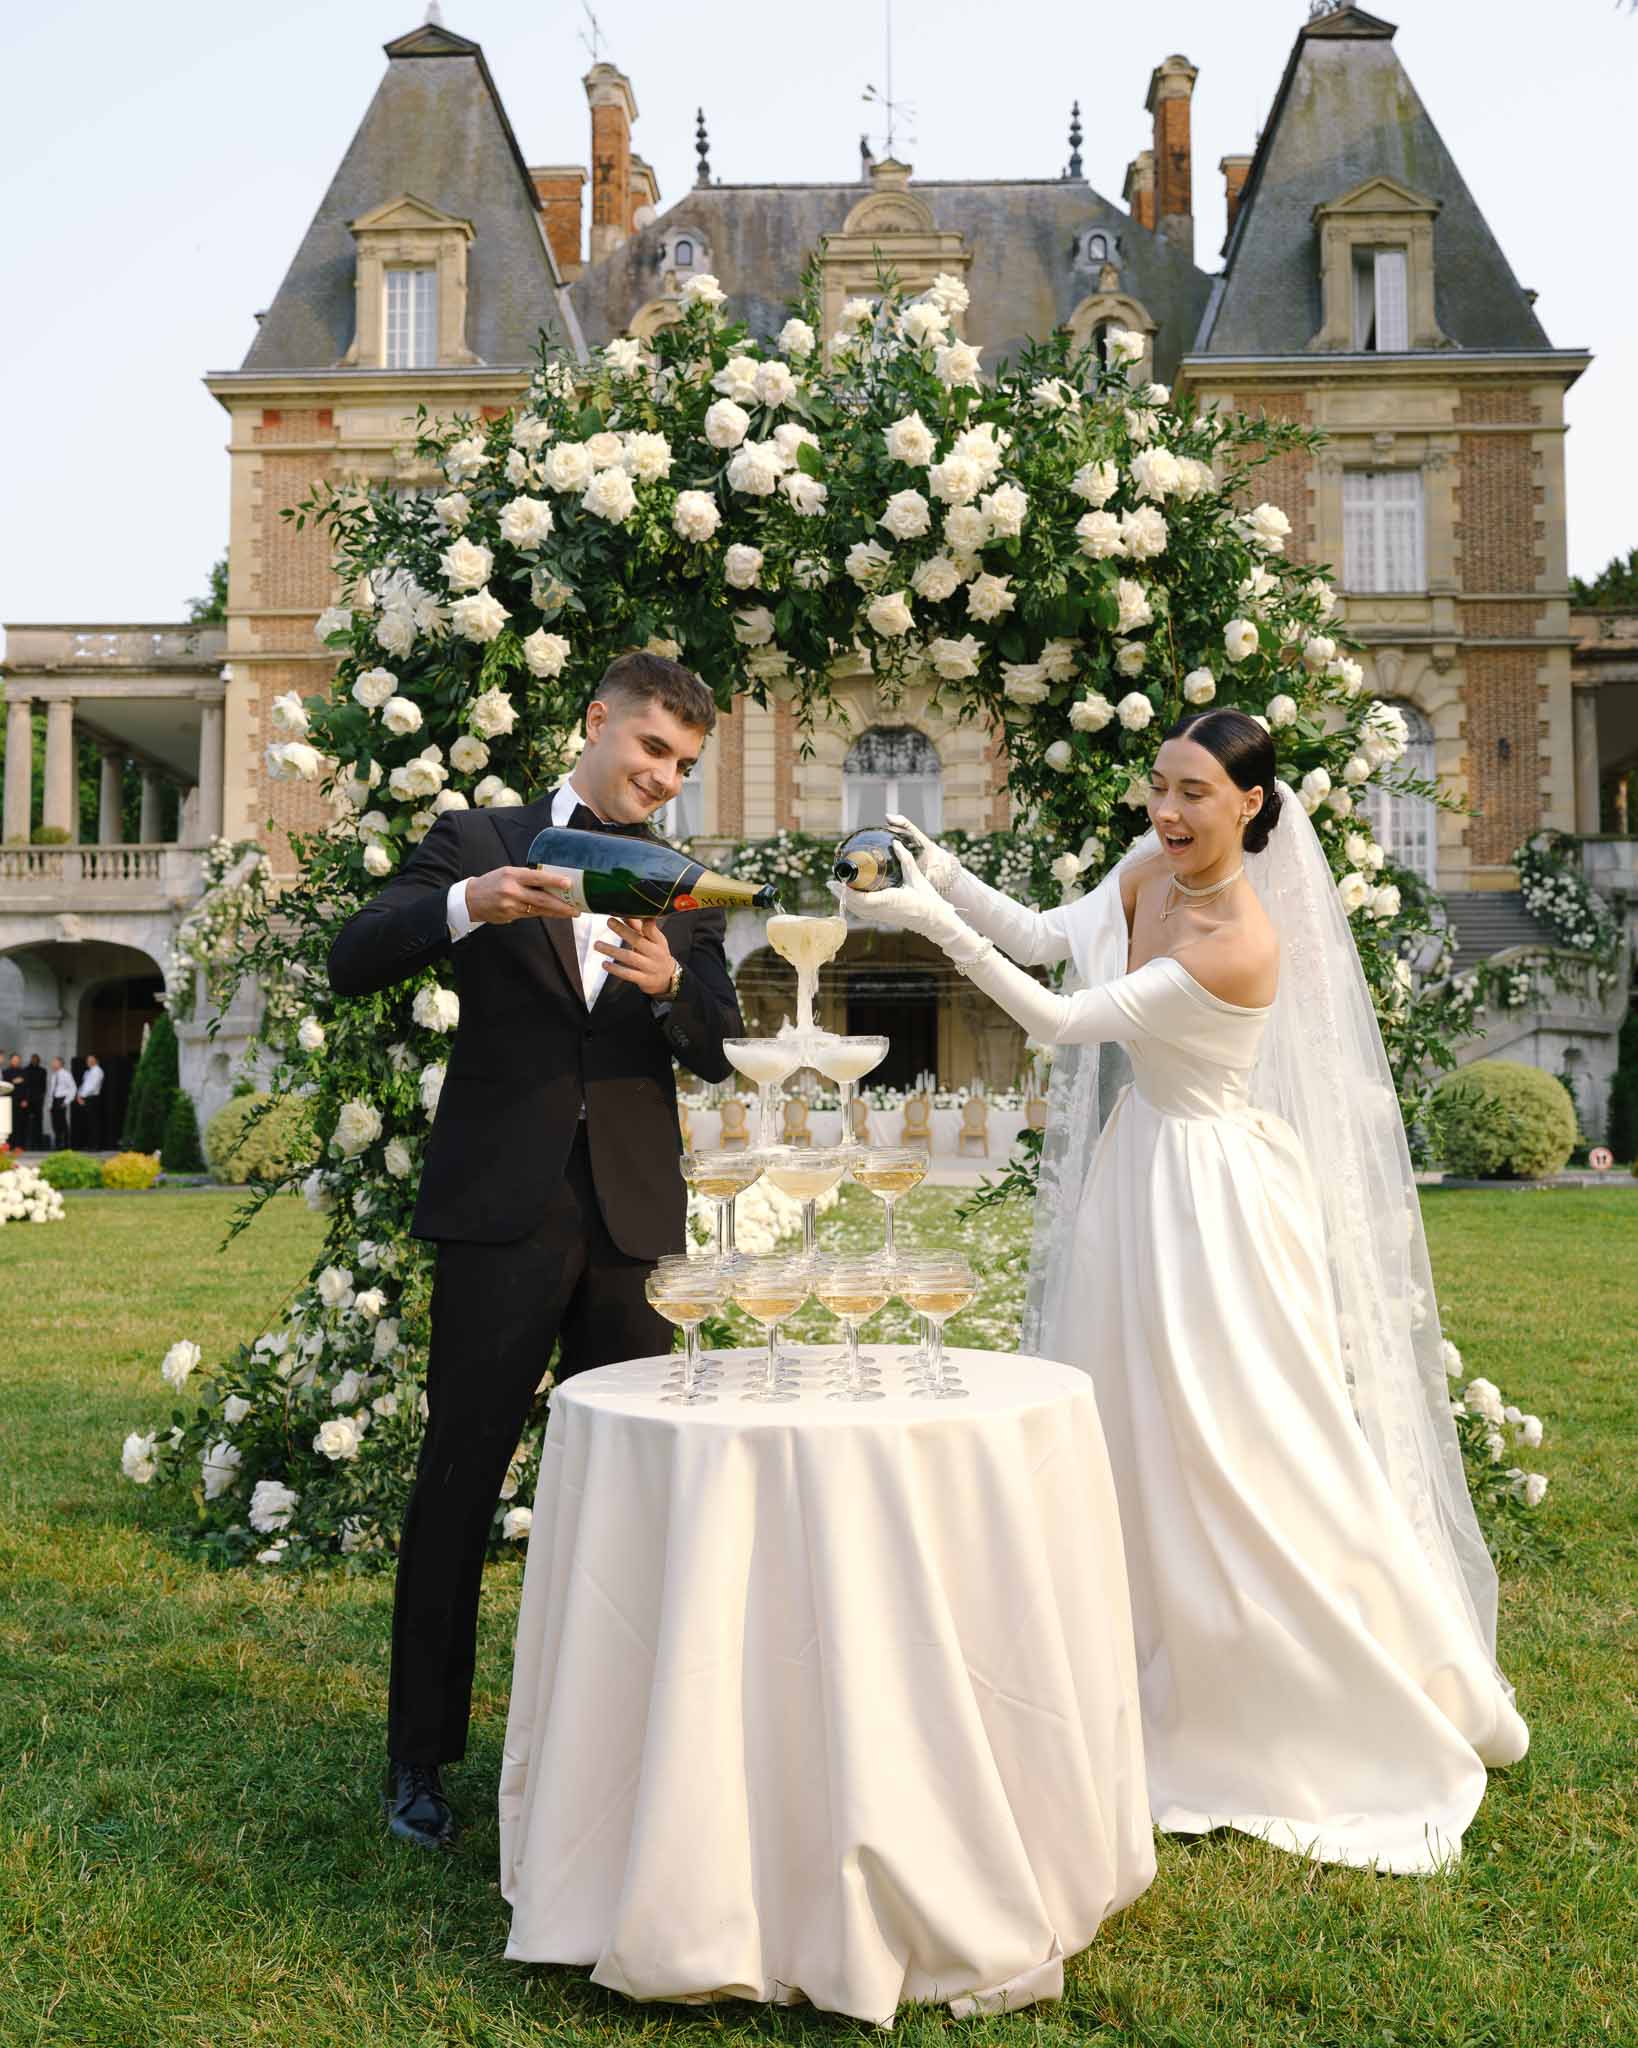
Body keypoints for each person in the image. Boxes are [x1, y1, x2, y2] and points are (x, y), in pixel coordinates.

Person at [841, 708, 1527, 1872]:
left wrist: (922, 924)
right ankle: (1133, 1655)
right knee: (1134, 1429)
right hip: (1138, 1175)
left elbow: (1059, 1018)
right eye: (1160, 785)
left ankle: (1317, 1675)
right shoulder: (1149, 863)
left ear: (1252, 803)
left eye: (1195, 791)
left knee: (1245, 1440)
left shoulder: (1241, 941)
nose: (1167, 810)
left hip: (1212, 1201)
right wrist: (944, 870)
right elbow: (1050, 937)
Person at [327, 650, 742, 1852]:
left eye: (684, 765)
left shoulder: (675, 879)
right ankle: (420, 1758)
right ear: (597, 721)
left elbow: (720, 1043)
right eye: (652, 749)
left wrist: (673, 988)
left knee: (634, 1488)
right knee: (457, 1485)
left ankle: (619, 1748)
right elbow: (354, 956)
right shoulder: (479, 836)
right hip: (500, 1214)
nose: (664, 778)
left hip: (631, 1225)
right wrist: (473, 904)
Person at [76, 1053, 105, 1149]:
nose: (88, 1062)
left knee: (93, 1123)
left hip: (92, 1098)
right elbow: (84, 1085)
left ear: (96, 1061)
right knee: (88, 1122)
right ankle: (90, 1144)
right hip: (86, 1098)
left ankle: (95, 1145)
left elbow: (92, 1087)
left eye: (90, 1060)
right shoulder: (88, 1072)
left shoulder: (97, 1071)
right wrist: (79, 1095)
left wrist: (82, 1096)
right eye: (87, 1060)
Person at [20, 1054, 47, 1151]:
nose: (34, 1061)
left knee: (38, 1123)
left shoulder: (43, 1071)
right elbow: (25, 1086)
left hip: (38, 1100)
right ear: (31, 1060)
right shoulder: (25, 1070)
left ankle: (38, 1144)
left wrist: (41, 1098)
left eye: (36, 1059)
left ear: (39, 1060)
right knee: (25, 1122)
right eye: (33, 1059)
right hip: (27, 1100)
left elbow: (43, 1087)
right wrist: (25, 1099)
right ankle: (26, 1144)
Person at [48, 1056, 75, 1149]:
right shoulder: (54, 1075)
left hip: (61, 1099)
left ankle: (66, 1144)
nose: (52, 1064)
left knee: (62, 1123)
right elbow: (52, 1090)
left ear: (60, 1063)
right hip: (54, 1100)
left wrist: (66, 1101)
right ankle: (58, 1143)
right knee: (55, 1123)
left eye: (54, 1062)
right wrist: (50, 1104)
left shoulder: (66, 1074)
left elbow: (73, 1088)